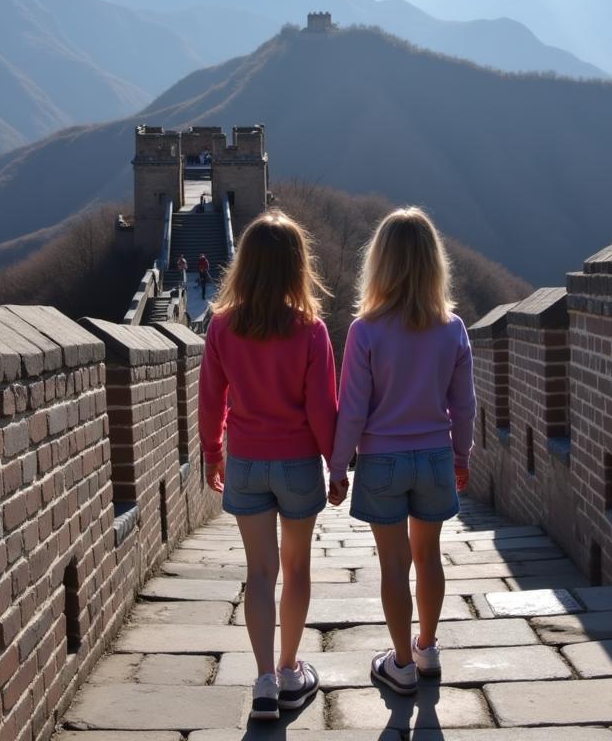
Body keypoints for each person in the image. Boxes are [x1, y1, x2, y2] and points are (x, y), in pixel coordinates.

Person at [327, 207, 475, 695]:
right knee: (428, 557)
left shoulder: (366, 331)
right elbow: (464, 404)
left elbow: (351, 408)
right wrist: (461, 456)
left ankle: (401, 664)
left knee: (393, 565)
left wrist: (338, 466)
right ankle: (428, 647)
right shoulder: (452, 328)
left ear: (380, 263)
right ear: (435, 264)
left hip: (382, 461)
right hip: (434, 457)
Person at [199, 210, 338, 721]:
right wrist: (336, 464)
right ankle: (288, 669)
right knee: (296, 567)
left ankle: (261, 682)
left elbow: (211, 398)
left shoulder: (221, 327)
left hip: (247, 462)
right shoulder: (310, 331)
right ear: (297, 267)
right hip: (298, 462)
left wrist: (213, 452)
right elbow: (324, 407)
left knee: (259, 572)